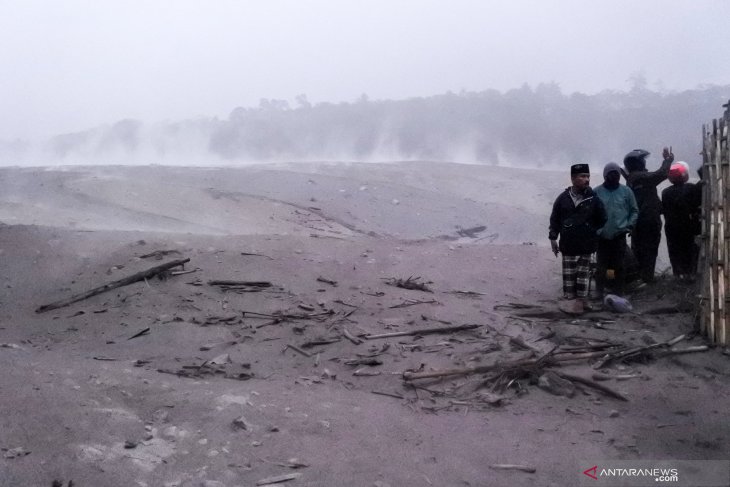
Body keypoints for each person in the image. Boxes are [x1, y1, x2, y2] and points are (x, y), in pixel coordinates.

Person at [549, 164, 607, 314]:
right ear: (573, 178)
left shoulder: (593, 198)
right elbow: (555, 219)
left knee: (583, 276)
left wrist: (591, 230)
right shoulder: (563, 198)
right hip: (568, 245)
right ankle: (570, 302)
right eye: (582, 176)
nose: (586, 179)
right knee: (569, 276)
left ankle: (582, 303)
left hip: (586, 245)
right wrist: (553, 238)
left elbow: (603, 217)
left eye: (588, 176)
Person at [623, 147, 674, 283]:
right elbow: (662, 174)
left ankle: (641, 278)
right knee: (649, 250)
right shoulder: (639, 177)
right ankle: (647, 279)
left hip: (639, 221)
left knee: (639, 249)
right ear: (637, 163)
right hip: (648, 220)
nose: (644, 163)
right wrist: (668, 160)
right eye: (642, 160)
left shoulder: (632, 178)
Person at [594, 162, 638, 296]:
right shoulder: (596, 192)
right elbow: (589, 213)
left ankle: (619, 291)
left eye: (617, 174)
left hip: (619, 235)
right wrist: (595, 230)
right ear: (605, 175)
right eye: (611, 174)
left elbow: (634, 210)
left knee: (619, 265)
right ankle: (599, 292)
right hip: (602, 236)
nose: (614, 177)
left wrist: (630, 225)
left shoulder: (626, 191)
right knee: (601, 266)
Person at [661, 161, 702, 280]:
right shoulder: (691, 188)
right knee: (690, 250)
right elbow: (697, 202)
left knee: (675, 251)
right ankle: (691, 273)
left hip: (671, 227)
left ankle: (678, 274)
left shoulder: (665, 192)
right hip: (688, 226)